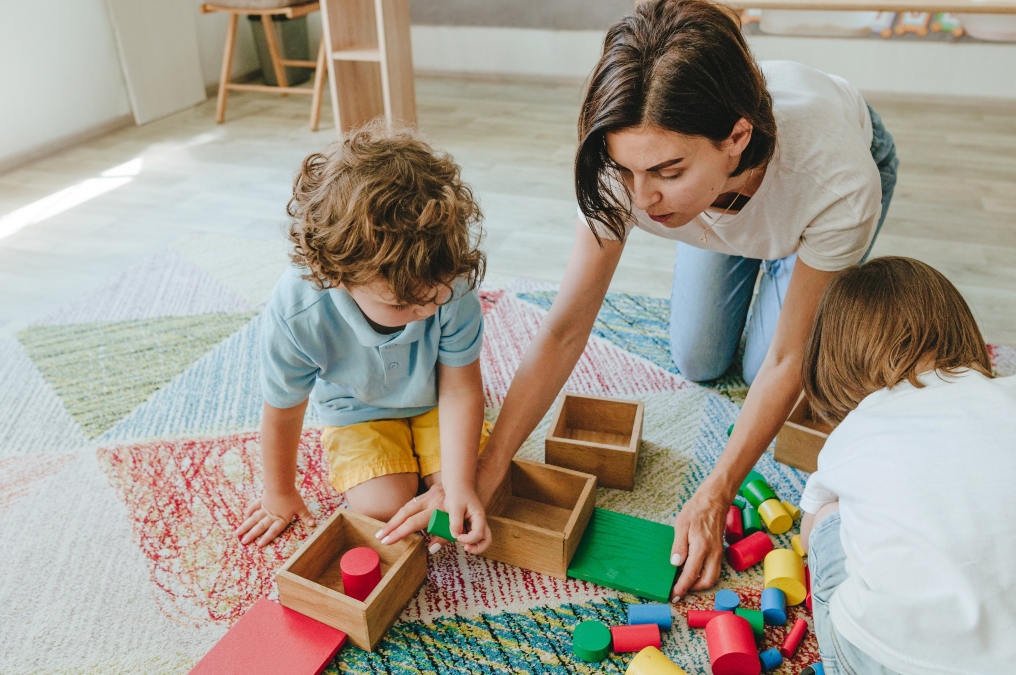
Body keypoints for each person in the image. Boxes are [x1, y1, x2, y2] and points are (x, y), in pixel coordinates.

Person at [380, 0, 898, 602]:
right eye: (628, 173)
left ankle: (760, 239)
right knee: (700, 358)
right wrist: (484, 469)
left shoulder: (837, 180)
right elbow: (565, 329)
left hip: (804, 189)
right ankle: (723, 224)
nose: (643, 199)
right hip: (718, 199)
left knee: (766, 370)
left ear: (735, 138)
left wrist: (715, 492)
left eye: (666, 171)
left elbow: (786, 362)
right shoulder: (624, 168)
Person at [797, 257, 1016, 674]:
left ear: (837, 361)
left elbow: (811, 538)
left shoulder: (852, 433)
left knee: (828, 515)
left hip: (885, 659)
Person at [236, 124, 493, 555]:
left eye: (435, 296)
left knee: (467, 495)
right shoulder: (299, 311)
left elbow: (461, 387)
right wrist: (278, 493)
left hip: (437, 400)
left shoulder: (450, 282)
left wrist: (461, 484)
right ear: (339, 276)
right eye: (403, 306)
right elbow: (283, 407)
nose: (427, 310)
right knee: (384, 507)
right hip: (356, 410)